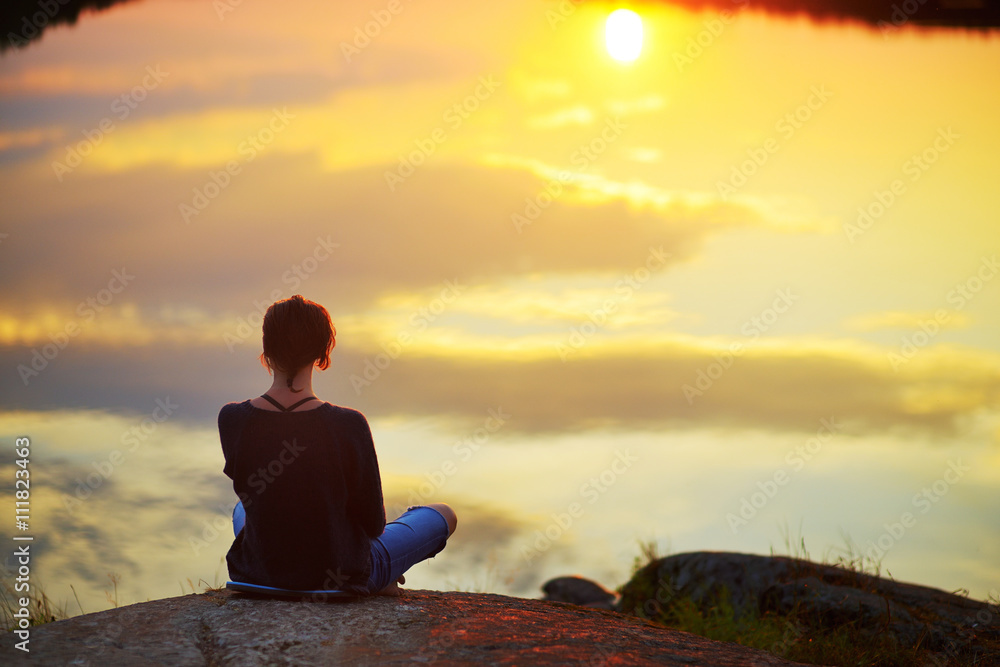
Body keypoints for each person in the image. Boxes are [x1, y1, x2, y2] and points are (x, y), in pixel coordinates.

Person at [219, 294, 457, 596]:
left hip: (257, 576)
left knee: (243, 508)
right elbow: (373, 526)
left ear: (266, 350)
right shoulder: (348, 424)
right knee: (443, 514)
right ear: (322, 353)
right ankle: (379, 577)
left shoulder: (232, 418)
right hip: (337, 577)